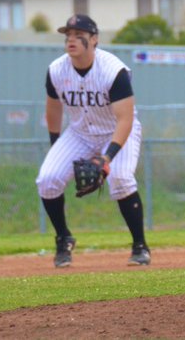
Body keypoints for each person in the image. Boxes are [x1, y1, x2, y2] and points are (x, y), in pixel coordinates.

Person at [35, 14, 151, 268]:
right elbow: (53, 109)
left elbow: (125, 120)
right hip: (79, 133)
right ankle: (63, 238)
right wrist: (55, 146)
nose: (71, 40)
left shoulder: (113, 71)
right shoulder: (56, 70)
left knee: (120, 179)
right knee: (48, 179)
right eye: (68, 35)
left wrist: (106, 158)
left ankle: (140, 246)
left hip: (117, 131)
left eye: (79, 35)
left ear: (94, 39)